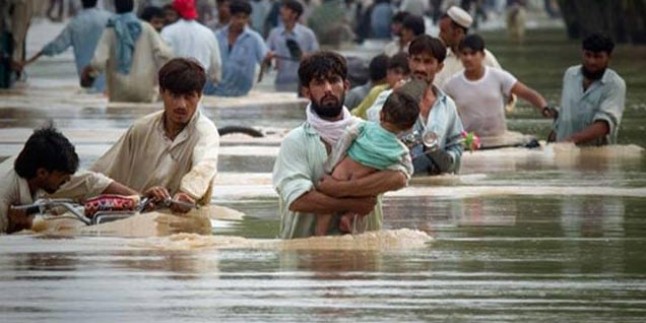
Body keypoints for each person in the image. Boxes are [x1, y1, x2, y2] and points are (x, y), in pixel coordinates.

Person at [272, 51, 409, 239]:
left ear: (345, 86)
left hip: (362, 259)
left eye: (334, 80)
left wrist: (340, 189)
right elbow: (297, 199)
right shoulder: (295, 141)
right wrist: (353, 204)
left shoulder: (367, 132)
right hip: (305, 261)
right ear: (307, 92)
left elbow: (400, 177)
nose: (328, 89)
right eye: (319, 83)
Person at [90, 58, 219, 212]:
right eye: (174, 95)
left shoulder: (205, 132)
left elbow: (205, 167)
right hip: (137, 214)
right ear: (162, 93)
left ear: (199, 96)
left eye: (189, 96)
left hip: (184, 218)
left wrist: (186, 194)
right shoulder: (141, 129)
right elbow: (102, 173)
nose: (181, 105)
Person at [315, 90, 418, 236]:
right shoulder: (400, 150)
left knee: (326, 209)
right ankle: (349, 217)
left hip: (341, 173)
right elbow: (407, 171)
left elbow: (346, 138)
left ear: (381, 114)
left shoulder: (364, 127)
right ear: (408, 127)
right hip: (363, 182)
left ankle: (319, 235)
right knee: (368, 200)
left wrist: (330, 165)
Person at [0, 126, 136, 234]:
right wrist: (18, 229)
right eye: (63, 176)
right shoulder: (4, 199)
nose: (68, 180)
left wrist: (139, 200)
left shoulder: (39, 169)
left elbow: (91, 182)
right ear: (42, 173)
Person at [365, 35, 465, 175]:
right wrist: (396, 98)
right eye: (416, 60)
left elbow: (456, 145)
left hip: (432, 185)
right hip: (393, 182)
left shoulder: (447, 105)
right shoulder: (389, 96)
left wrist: (446, 160)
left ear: (440, 67)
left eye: (428, 62)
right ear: (409, 62)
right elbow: (371, 133)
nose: (421, 68)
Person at [443, 34, 553, 138]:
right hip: (470, 142)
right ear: (460, 56)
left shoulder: (499, 76)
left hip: (499, 139)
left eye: (472, 53)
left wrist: (544, 108)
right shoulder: (451, 84)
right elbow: (436, 107)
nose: (468, 58)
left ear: (482, 55)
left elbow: (527, 93)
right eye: (465, 54)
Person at [81, 0, 173, 103]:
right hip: (144, 89)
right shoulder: (146, 28)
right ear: (133, 7)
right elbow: (166, 54)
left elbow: (98, 61)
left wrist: (89, 75)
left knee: (118, 116)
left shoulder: (111, 29)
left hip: (119, 90)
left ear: (115, 7)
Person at [549, 33, 626, 146]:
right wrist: (550, 141)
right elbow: (563, 115)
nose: (591, 62)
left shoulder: (615, 84)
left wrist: (571, 141)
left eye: (598, 57)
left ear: (608, 58)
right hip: (563, 152)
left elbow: (604, 124)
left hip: (595, 156)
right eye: (588, 55)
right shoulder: (570, 75)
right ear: (582, 53)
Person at [23, 0, 111, 93]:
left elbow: (57, 46)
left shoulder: (75, 23)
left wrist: (30, 59)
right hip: (110, 85)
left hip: (87, 83)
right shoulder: (109, 18)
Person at [206, 0, 268, 97]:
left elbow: (266, 64)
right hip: (215, 92)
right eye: (238, 17)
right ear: (231, 16)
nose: (241, 21)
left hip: (240, 94)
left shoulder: (255, 39)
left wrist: (268, 60)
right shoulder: (217, 36)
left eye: (244, 18)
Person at [434, 6, 502, 88]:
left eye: (443, 31)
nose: (439, 35)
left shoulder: (485, 58)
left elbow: (505, 89)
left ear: (458, 32)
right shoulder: (440, 58)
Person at [161, 0, 221, 87]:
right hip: (200, 85)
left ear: (176, 12)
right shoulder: (208, 33)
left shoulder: (168, 31)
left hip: (175, 84)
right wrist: (215, 80)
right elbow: (216, 64)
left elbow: (163, 59)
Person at [266, 0, 319, 93]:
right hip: (280, 81)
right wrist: (270, 57)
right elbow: (265, 55)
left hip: (301, 82)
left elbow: (318, 57)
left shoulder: (307, 34)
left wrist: (307, 57)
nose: (281, 11)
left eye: (286, 9)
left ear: (294, 14)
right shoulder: (274, 33)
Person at [352, 52, 410, 119]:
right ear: (388, 73)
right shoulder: (377, 91)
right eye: (396, 72)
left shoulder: (413, 96)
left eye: (405, 74)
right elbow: (359, 114)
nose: (400, 78)